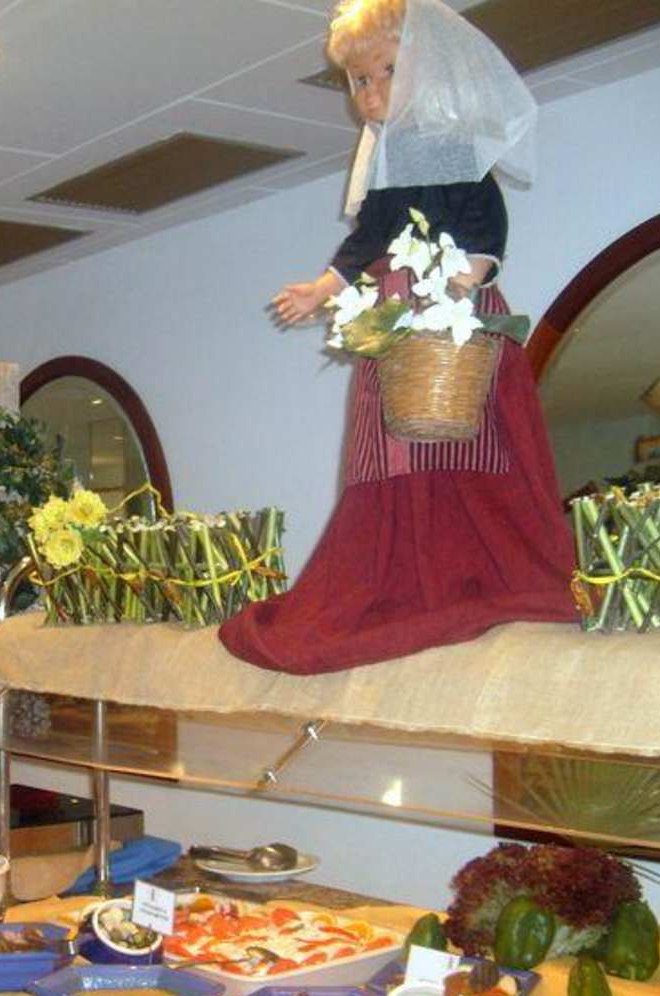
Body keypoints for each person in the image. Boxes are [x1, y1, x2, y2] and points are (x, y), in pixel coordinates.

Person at [219, 0, 579, 676]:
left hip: (452, 307)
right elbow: (369, 238)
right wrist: (321, 289)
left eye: (385, 71)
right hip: (396, 311)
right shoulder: (386, 156)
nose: (371, 91)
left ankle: (481, 573)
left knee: (472, 438)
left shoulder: (455, 144)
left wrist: (465, 278)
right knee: (391, 452)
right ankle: (405, 581)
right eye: (359, 80)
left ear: (425, 68)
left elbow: (486, 221)